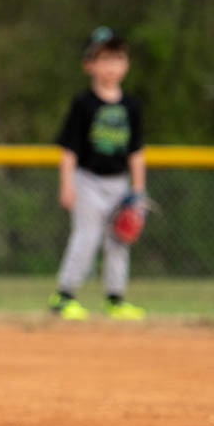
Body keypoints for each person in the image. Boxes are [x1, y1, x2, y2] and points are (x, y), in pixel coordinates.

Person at [49, 26, 147, 321]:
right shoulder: (83, 104)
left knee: (119, 242)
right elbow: (69, 150)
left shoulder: (131, 105)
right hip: (87, 181)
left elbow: (136, 151)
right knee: (86, 238)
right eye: (104, 59)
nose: (111, 66)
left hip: (119, 183)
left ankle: (115, 299)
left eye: (118, 59)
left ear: (126, 64)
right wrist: (67, 185)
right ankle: (65, 296)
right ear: (89, 65)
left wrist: (138, 190)